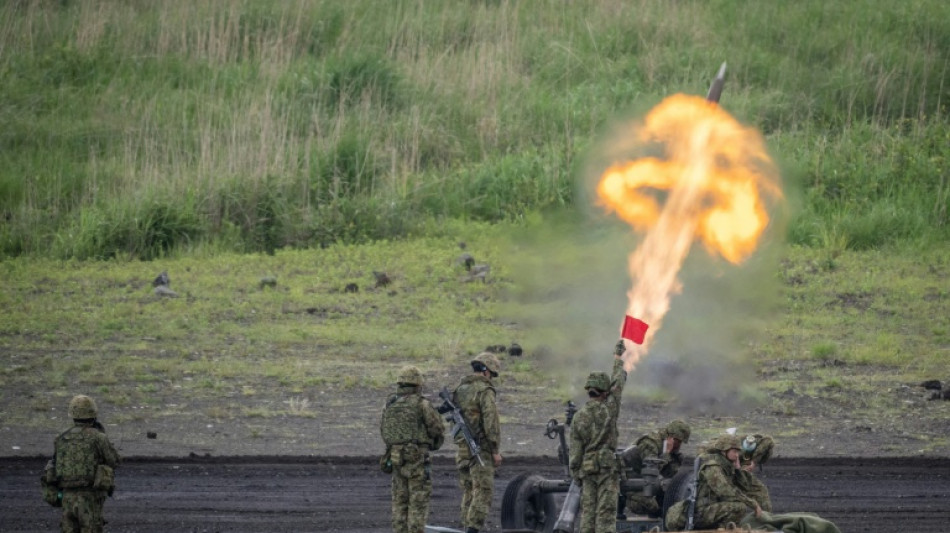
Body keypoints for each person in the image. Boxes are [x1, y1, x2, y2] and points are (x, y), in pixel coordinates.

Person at [569, 339, 628, 533]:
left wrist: (576, 473)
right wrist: (618, 357)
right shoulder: (609, 409)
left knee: (587, 514)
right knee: (605, 514)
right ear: (605, 391)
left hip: (587, 470)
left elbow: (575, 452)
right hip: (607, 469)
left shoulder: (579, 417)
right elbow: (618, 381)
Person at [380, 365, 445, 533]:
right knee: (418, 501)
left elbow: (384, 430)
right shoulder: (422, 404)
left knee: (399, 503)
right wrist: (433, 443)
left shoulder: (390, 403)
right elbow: (437, 428)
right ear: (417, 384)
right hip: (417, 459)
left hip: (395, 457)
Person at [52, 394, 120, 533]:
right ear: (93, 414)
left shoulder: (61, 437)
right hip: (90, 497)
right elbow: (114, 461)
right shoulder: (98, 437)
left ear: (72, 414)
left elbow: (55, 464)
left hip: (67, 498)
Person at [452, 352, 502, 533]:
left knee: (468, 491)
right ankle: (472, 529)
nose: (492, 378)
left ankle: (467, 526)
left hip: (463, 450)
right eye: (493, 374)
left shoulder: (460, 389)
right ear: (487, 371)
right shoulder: (484, 391)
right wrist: (495, 450)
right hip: (480, 450)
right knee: (483, 491)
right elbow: (491, 423)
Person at [622, 419, 692, 517]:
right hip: (630, 482)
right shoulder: (650, 443)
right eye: (678, 441)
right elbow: (652, 470)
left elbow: (674, 471)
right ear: (671, 437)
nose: (679, 445)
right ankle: (624, 500)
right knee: (651, 506)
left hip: (646, 481)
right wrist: (667, 453)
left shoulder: (669, 447)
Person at [736, 433, 774, 512]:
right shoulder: (737, 444)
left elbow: (768, 440)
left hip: (742, 473)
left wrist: (753, 462)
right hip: (733, 474)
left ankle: (766, 517)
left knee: (761, 492)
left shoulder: (756, 444)